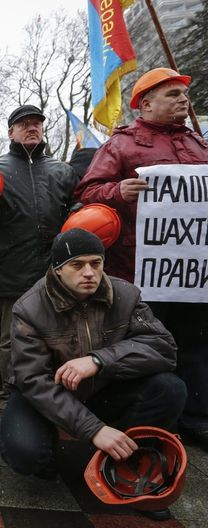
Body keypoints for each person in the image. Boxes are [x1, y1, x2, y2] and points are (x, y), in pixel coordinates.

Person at [0, 229, 185, 519]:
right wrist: (94, 430)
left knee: (170, 388)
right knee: (25, 452)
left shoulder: (126, 295)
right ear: (58, 270)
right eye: (77, 265)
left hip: (105, 388)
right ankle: (51, 448)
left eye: (96, 263)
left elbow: (164, 348)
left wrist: (99, 360)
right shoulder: (29, 307)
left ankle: (130, 460)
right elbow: (33, 381)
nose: (89, 273)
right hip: (48, 395)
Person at [74, 68, 208, 450]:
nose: (183, 100)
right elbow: (87, 193)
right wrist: (118, 191)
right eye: (173, 94)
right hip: (141, 272)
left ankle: (197, 417)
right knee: (148, 346)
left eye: (184, 94)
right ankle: (155, 416)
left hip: (193, 274)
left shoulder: (199, 144)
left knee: (197, 345)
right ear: (146, 104)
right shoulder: (121, 145)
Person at [0, 106, 78, 413]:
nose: (32, 128)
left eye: (37, 124)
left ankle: (57, 398)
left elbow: (76, 208)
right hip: (11, 270)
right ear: (10, 132)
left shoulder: (62, 171)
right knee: (12, 339)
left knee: (60, 336)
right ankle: (10, 400)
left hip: (57, 273)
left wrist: (78, 209)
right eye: (24, 124)